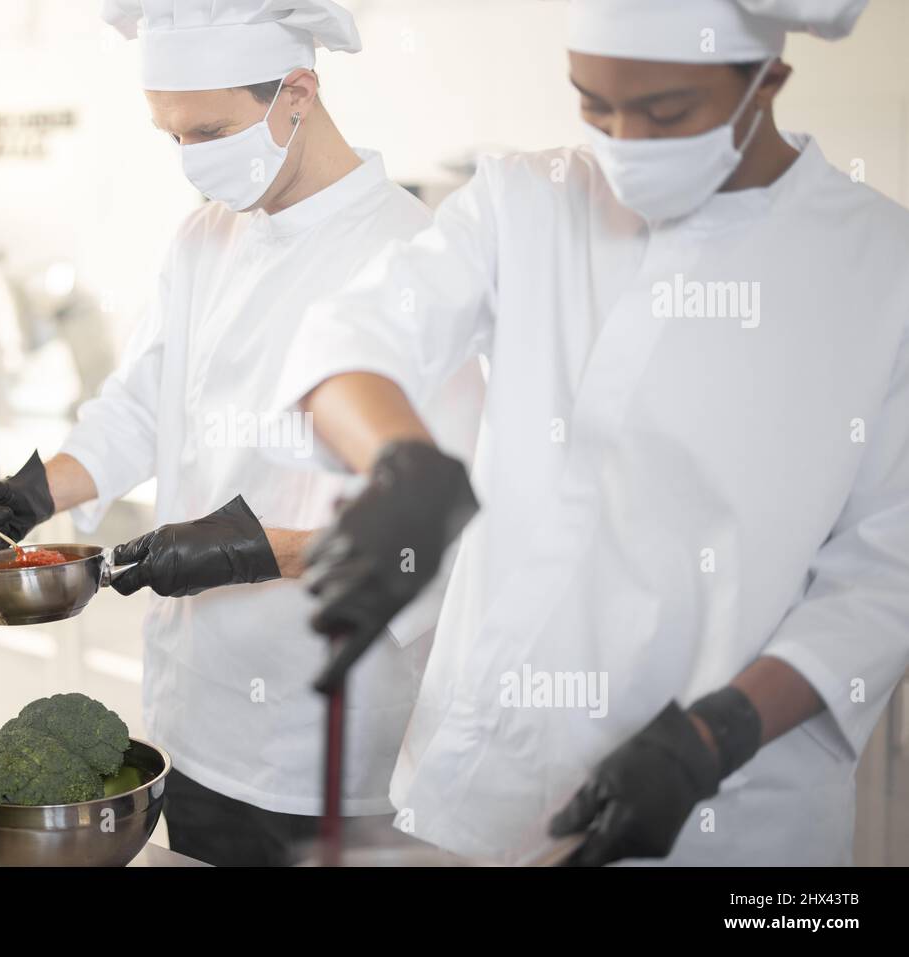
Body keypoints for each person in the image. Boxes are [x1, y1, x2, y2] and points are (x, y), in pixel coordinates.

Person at [272, 0, 909, 866]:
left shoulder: (882, 268)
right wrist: (403, 462)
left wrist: (716, 737)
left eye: (664, 113)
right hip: (491, 792)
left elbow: (886, 572)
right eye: (592, 104)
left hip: (733, 815)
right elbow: (357, 331)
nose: (622, 140)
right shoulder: (527, 198)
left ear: (769, 80)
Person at [0, 0, 478, 866]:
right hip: (193, 717)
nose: (193, 164)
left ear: (297, 92)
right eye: (173, 137)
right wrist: (39, 490)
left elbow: (445, 535)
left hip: (325, 743)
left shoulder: (413, 258)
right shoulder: (204, 240)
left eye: (211, 131)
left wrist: (256, 549)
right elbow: (141, 402)